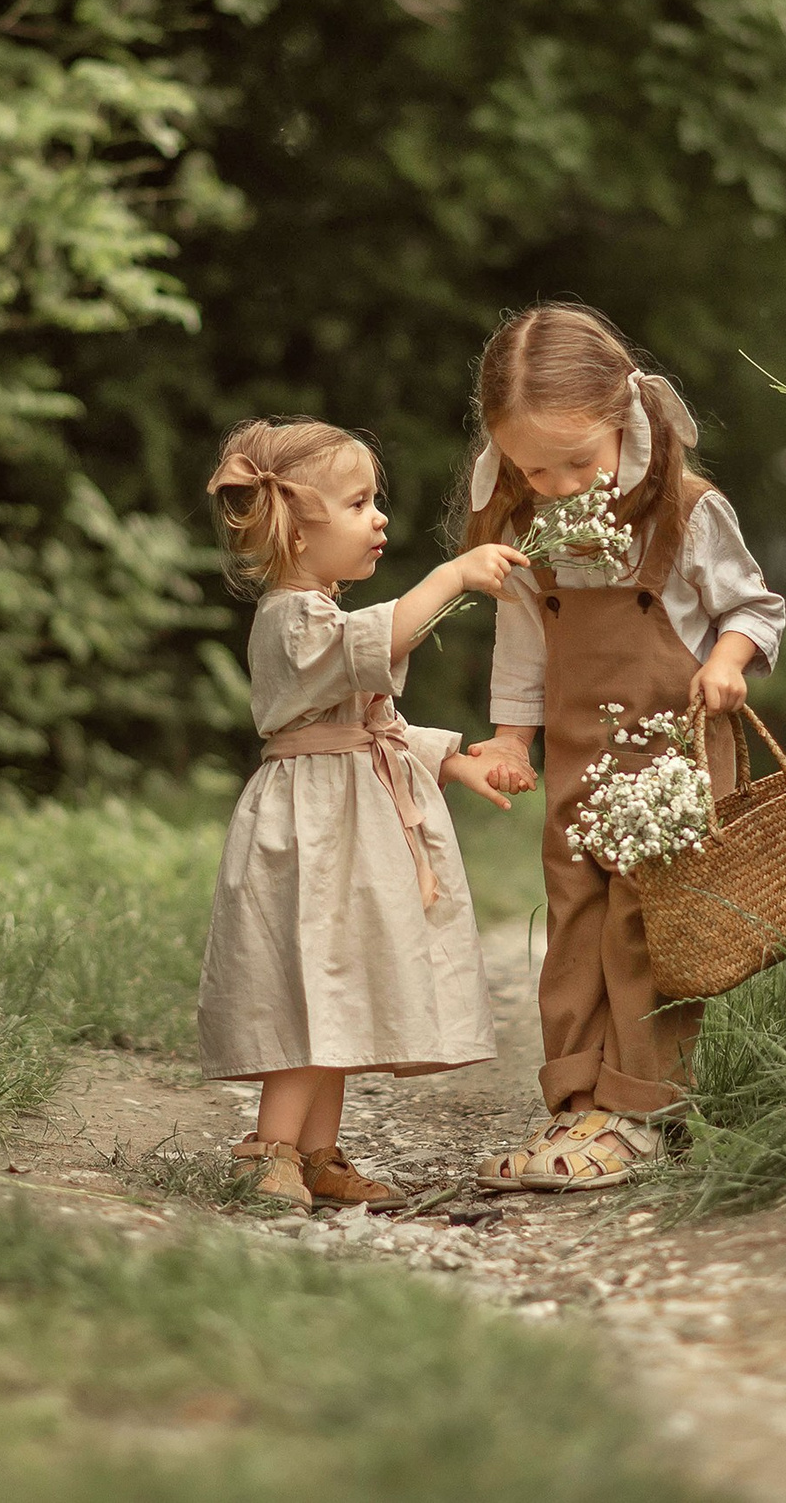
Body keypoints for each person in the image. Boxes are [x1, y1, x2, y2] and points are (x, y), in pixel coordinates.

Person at [456, 304, 786, 1191]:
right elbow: (525, 645)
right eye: (535, 467)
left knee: (649, 925)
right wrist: (511, 736)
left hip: (670, 754)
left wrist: (726, 660)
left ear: (622, 420)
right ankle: (577, 1098)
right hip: (578, 755)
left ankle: (644, 1106)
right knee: (576, 916)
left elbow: (755, 607)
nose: (560, 485)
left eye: (579, 463)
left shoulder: (684, 512)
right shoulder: (529, 526)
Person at [198, 418, 529, 1213]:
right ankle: (266, 1148)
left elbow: (373, 723)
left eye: (374, 501)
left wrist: (452, 760)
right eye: (357, 503)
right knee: (313, 982)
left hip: (345, 827)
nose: (379, 517)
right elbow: (372, 643)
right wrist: (451, 576)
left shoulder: (322, 616)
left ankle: (317, 1154)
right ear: (298, 525)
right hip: (309, 833)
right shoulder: (292, 616)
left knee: (336, 980)